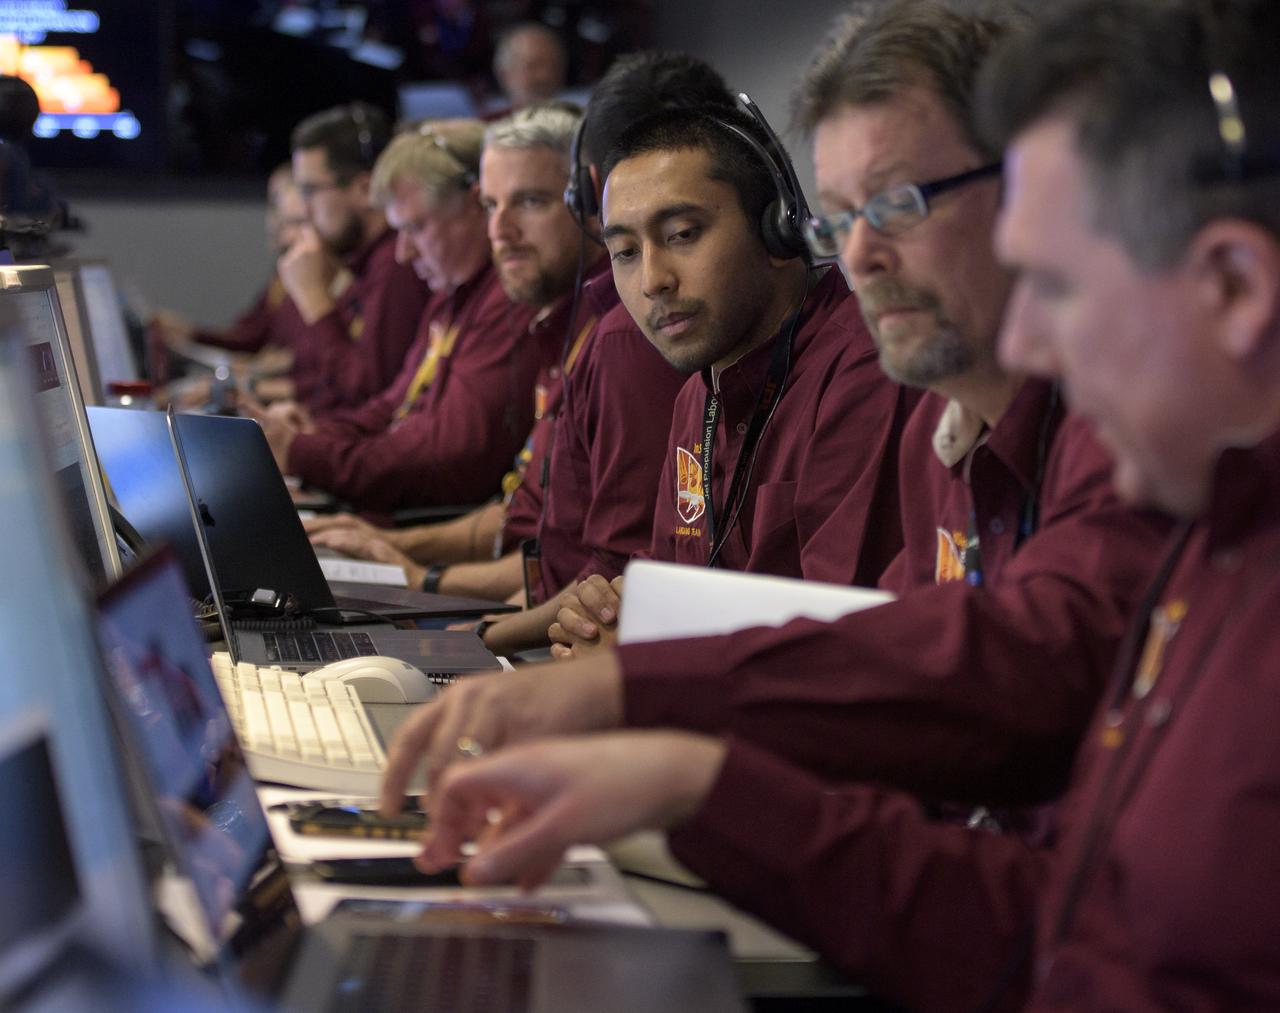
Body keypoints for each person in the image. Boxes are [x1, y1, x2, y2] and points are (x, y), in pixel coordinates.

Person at [398, 0, 1280, 1006]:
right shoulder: (1186, 524)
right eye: (838, 216)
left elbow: (1030, 660)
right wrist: (695, 786)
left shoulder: (1146, 490)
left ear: (1232, 288)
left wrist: (653, 697)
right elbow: (1063, 925)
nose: (1034, 345)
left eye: (1058, 281)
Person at [484, 96, 913, 656]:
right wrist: (603, 619)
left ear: (778, 232)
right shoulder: (698, 396)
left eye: (683, 234)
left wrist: (639, 665)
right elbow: (667, 596)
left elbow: (831, 651)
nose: (652, 281)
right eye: (624, 251)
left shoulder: (861, 373)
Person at [305, 102, 609, 595]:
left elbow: (447, 460)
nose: (501, 232)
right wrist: (390, 544)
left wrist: (420, 575)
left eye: (530, 201)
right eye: (493, 206)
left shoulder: (598, 332)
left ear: (589, 202)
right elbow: (522, 517)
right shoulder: (544, 317)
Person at [251, 111, 586, 515]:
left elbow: (441, 461)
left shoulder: (509, 300)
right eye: (495, 205)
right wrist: (311, 435)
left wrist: (304, 450)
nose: (403, 252)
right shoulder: (451, 295)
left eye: (417, 228)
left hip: (428, 519)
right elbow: (392, 407)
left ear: (470, 208)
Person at [284, 102, 430, 414]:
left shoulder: (396, 264)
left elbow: (365, 392)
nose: (304, 212)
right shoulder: (364, 262)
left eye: (310, 191)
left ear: (365, 189)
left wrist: (313, 298)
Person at [492, 22, 567, 112]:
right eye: (533, 66)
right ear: (505, 74)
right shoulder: (486, 125)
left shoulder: (579, 123)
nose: (546, 76)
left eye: (555, 66)